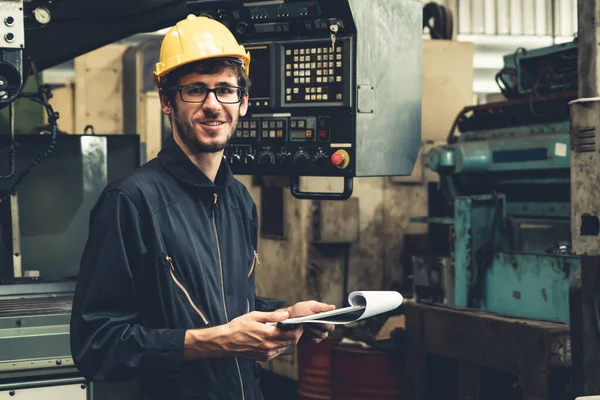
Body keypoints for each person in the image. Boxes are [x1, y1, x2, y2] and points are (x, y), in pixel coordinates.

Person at [69, 14, 335, 400]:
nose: (213, 105)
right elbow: (97, 345)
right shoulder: (131, 201)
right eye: (195, 90)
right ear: (167, 101)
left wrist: (285, 316)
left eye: (225, 90)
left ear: (243, 103)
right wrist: (218, 341)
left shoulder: (239, 201)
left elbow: (220, 304)